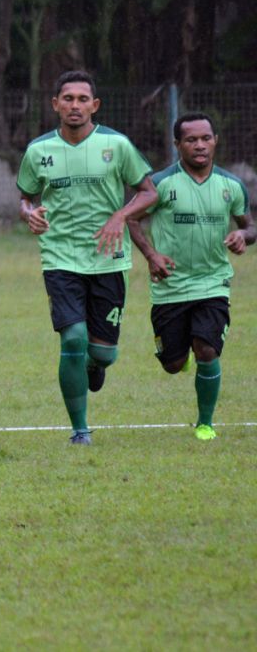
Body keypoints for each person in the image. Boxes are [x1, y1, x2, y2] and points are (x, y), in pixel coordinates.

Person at [17, 70, 156, 448]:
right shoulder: (38, 151)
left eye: (82, 99)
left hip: (108, 259)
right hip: (60, 258)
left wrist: (120, 216)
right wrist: (28, 212)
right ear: (55, 105)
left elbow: (148, 193)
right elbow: (26, 197)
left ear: (94, 105)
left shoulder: (117, 145)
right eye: (68, 99)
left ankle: (95, 365)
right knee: (73, 338)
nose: (74, 106)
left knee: (103, 354)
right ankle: (80, 429)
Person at [127, 112, 254, 440]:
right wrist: (152, 256)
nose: (200, 145)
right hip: (170, 287)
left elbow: (249, 224)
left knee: (207, 351)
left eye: (205, 138)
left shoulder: (231, 186)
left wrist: (244, 236)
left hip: (213, 283)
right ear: (177, 145)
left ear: (215, 141)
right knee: (172, 363)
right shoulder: (160, 184)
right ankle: (177, 356)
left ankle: (205, 423)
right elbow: (131, 219)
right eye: (191, 140)